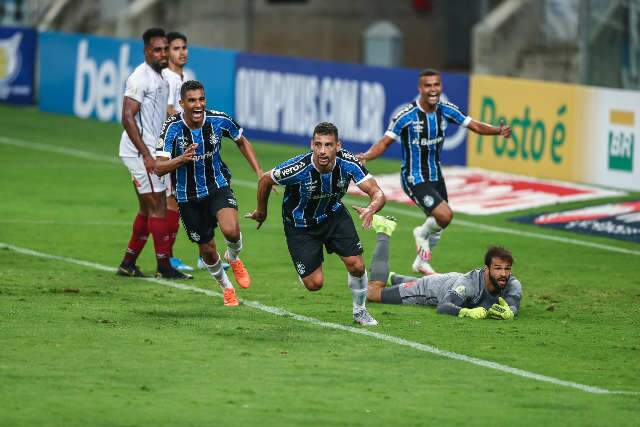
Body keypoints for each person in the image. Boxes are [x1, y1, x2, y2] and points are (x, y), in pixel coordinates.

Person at [357, 69, 512, 275]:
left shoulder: (446, 110)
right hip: (414, 177)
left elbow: (473, 125)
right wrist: (367, 155)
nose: (433, 89)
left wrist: (497, 130)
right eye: (428, 86)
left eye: (436, 85)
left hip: (435, 175)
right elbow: (385, 141)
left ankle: (421, 262)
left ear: (441, 87)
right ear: (420, 89)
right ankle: (420, 233)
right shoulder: (406, 116)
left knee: (440, 222)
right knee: (444, 215)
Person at [246, 122, 386, 326]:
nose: (322, 150)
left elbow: (377, 192)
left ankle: (360, 312)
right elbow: (266, 180)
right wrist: (261, 212)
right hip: (300, 225)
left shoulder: (349, 163)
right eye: (318, 144)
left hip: (333, 215)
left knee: (357, 266)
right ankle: (306, 265)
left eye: (328, 145)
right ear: (311, 144)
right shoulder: (298, 168)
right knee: (314, 284)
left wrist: (371, 208)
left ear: (338, 146)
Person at [155, 80, 265, 306]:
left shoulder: (218, 120)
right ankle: (227, 287)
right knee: (207, 249)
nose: (198, 105)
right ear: (182, 103)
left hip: (217, 186)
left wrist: (260, 172)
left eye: (201, 99)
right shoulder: (171, 128)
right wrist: (180, 159)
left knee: (232, 231)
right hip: (187, 196)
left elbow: (241, 141)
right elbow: (158, 167)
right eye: (192, 100)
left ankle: (233, 257)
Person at [117, 27, 191, 280]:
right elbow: (127, 117)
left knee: (147, 209)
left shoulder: (160, 78)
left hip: (152, 151)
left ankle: (128, 263)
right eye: (157, 50)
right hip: (141, 153)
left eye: (164, 49)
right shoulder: (140, 78)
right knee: (159, 205)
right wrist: (147, 155)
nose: (162, 54)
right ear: (147, 51)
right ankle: (164, 266)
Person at [361, 213, 522, 320]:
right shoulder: (470, 284)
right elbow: (444, 306)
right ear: (486, 269)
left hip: (446, 279)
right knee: (373, 292)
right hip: (428, 289)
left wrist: (510, 313)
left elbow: (512, 303)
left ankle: (391, 276)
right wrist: (465, 312)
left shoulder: (512, 283)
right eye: (498, 268)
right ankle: (384, 230)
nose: (503, 273)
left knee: (428, 279)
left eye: (507, 269)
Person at [160, 31, 194, 272]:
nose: (181, 52)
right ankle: (167, 257)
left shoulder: (186, 76)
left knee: (179, 201)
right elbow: (168, 110)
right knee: (171, 203)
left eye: (184, 47)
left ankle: (203, 252)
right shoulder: (168, 78)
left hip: (181, 148)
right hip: (169, 150)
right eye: (176, 48)